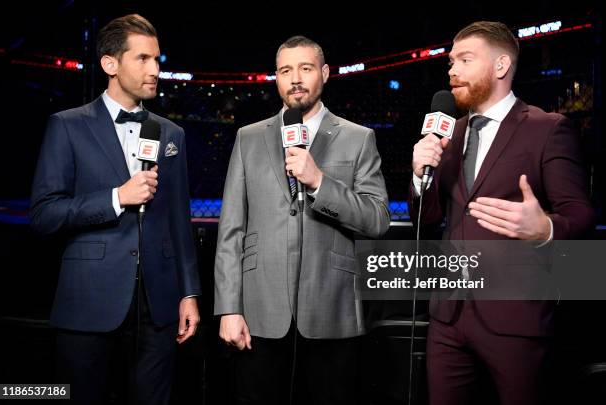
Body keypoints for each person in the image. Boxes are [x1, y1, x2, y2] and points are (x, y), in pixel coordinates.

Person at [409, 21, 595, 405]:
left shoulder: (547, 128)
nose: (451, 70)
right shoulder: (449, 133)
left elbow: (580, 214)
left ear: (500, 66)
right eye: (450, 61)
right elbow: (427, 219)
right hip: (447, 318)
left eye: (464, 59)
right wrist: (417, 178)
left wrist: (544, 228)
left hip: (515, 318)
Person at [29, 14, 201, 405]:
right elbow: (43, 215)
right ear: (110, 64)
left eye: (157, 59)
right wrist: (116, 198)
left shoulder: (172, 134)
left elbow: (179, 220)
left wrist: (189, 293)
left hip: (158, 303)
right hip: (89, 300)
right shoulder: (67, 126)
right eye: (142, 59)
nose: (155, 70)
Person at [214, 35, 390, 404]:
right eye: (285, 70)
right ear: (276, 78)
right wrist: (229, 308)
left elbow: (377, 220)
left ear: (324, 74)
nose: (295, 78)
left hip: (332, 310)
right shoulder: (248, 138)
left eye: (305, 68)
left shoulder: (359, 139)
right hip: (260, 314)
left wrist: (320, 182)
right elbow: (232, 230)